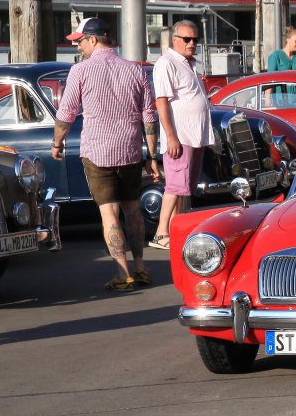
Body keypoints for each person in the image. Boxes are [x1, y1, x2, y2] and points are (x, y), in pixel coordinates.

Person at [51, 16, 160, 291]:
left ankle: (123, 274)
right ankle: (140, 267)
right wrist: (152, 156)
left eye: (80, 42)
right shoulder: (136, 70)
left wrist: (57, 143)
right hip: (130, 150)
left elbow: (66, 113)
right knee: (132, 209)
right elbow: (149, 116)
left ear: (93, 39)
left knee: (109, 213)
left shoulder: (80, 71)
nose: (78, 47)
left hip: (98, 152)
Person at [149, 18, 213, 250]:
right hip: (180, 135)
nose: (191, 43)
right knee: (175, 186)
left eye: (195, 39)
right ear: (175, 40)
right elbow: (161, 102)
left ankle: (176, 230)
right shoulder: (166, 63)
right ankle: (160, 233)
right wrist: (171, 136)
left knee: (184, 188)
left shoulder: (190, 63)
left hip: (195, 135)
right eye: (186, 39)